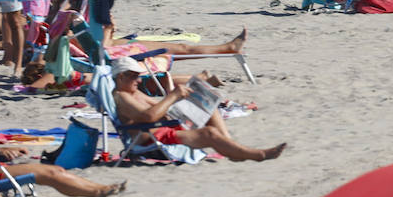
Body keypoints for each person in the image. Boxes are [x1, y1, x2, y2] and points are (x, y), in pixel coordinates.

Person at [111, 57, 285, 162]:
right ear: (120, 76)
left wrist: (183, 98)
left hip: (167, 126)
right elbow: (148, 116)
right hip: (153, 140)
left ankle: (232, 149)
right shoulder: (121, 96)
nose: (139, 81)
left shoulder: (134, 93)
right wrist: (173, 97)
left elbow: (158, 109)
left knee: (211, 109)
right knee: (209, 133)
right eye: (134, 76)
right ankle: (258, 154)